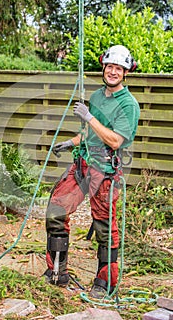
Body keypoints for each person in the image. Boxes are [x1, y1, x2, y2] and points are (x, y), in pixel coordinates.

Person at [44, 45, 140, 299]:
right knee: (56, 209)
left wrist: (88, 118)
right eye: (110, 66)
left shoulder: (128, 105)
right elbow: (91, 132)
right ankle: (57, 271)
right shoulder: (97, 97)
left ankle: (105, 282)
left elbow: (115, 141)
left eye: (118, 68)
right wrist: (73, 142)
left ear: (126, 72)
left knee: (104, 225)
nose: (113, 72)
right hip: (83, 164)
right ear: (104, 67)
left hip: (106, 170)